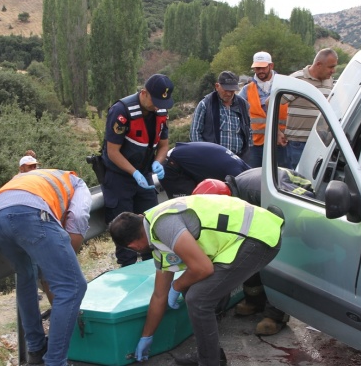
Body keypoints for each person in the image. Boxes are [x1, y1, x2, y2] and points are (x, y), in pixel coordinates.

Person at [108, 195, 283, 366]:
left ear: (133, 247)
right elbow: (159, 295)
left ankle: (209, 361)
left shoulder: (163, 225)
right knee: (191, 289)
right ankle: (210, 354)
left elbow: (202, 268)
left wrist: (176, 285)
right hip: (245, 237)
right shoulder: (155, 231)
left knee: (198, 299)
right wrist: (147, 336)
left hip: (257, 237)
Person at [0, 169, 92, 366]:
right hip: (29, 214)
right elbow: (78, 218)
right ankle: (56, 361)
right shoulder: (77, 183)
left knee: (26, 276)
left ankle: (36, 349)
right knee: (72, 286)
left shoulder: (34, 178)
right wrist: (65, 263)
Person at [193, 168, 315, 336]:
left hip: (290, 206)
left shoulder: (257, 191)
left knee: (278, 257)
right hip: (264, 211)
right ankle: (254, 301)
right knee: (246, 251)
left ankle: (275, 315)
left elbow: (302, 201)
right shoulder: (233, 195)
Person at [101, 74, 174, 267]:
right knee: (126, 234)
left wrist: (158, 162)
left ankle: (153, 272)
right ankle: (129, 272)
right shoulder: (122, 111)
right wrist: (133, 172)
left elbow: (164, 145)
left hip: (145, 176)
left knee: (151, 226)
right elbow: (113, 152)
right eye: (155, 101)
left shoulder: (161, 111)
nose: (158, 106)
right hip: (119, 178)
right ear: (144, 93)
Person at [284, 48, 338, 169]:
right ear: (319, 64)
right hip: (298, 143)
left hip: (321, 142)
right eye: (331, 67)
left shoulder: (330, 81)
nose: (333, 71)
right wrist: (277, 131)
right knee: (298, 181)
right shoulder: (297, 79)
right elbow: (272, 102)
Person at [238, 51, 289, 168]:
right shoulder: (247, 90)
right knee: (254, 176)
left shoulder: (284, 85)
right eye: (257, 68)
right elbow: (236, 110)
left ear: (271, 66)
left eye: (263, 67)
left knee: (282, 176)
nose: (260, 71)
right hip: (256, 145)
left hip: (281, 143)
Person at [190, 71, 251, 161]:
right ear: (217, 86)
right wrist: (204, 154)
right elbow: (195, 133)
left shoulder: (243, 104)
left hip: (238, 159)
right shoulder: (205, 104)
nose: (229, 94)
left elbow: (249, 130)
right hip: (212, 159)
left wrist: (247, 153)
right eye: (226, 90)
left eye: (232, 90)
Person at [159, 141, 250, 199]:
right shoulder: (237, 176)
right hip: (172, 165)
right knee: (190, 204)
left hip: (188, 160)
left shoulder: (242, 167)